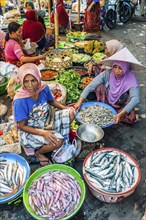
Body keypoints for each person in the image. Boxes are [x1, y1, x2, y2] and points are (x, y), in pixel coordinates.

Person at [13, 63, 75, 166]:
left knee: (72, 113)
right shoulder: (20, 101)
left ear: (38, 78)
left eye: (33, 80)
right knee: (58, 141)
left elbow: (52, 101)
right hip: (30, 131)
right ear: (21, 82)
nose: (30, 85)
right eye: (26, 81)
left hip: (46, 121)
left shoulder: (43, 88)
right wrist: (43, 133)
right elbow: (22, 126)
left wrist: (66, 108)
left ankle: (51, 136)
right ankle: (39, 152)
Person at [74, 47, 145, 124]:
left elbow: (135, 98)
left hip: (122, 102)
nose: (116, 71)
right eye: (115, 67)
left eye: (120, 68)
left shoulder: (131, 78)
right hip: (109, 98)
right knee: (99, 86)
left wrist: (121, 114)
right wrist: (79, 101)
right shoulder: (108, 73)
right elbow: (91, 85)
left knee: (130, 119)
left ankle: (120, 111)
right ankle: (106, 104)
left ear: (125, 68)